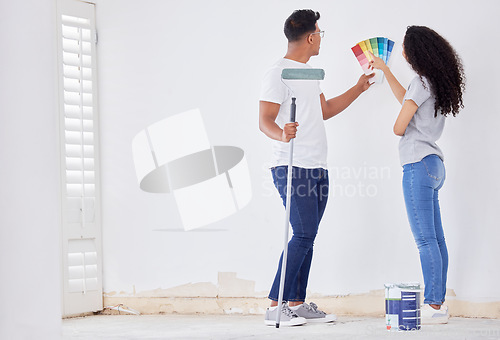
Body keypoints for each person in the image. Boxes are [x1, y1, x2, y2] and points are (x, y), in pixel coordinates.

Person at [259, 9, 373, 326]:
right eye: (320, 33)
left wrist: (358, 88)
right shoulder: (277, 72)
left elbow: (324, 110)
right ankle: (274, 305)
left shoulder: (308, 72)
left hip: (316, 166)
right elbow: (264, 120)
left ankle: (295, 302)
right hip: (291, 165)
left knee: (308, 235)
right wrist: (281, 133)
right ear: (311, 37)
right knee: (304, 234)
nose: (321, 37)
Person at [369, 26, 465, 324]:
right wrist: (384, 68)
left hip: (417, 164)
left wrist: (401, 124)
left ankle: (433, 306)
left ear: (414, 53)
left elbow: (399, 127)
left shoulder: (420, 83)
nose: (403, 54)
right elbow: (406, 98)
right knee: (436, 239)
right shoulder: (432, 83)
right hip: (434, 164)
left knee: (425, 241)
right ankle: (439, 304)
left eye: (405, 50)